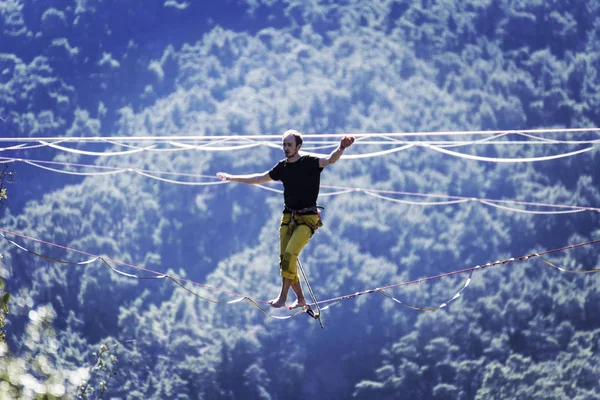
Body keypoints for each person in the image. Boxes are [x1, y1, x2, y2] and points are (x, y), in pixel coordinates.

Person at [217, 130, 355, 309]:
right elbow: (259, 178)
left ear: (299, 147)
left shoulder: (309, 162)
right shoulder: (282, 167)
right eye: (284, 144)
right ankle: (300, 299)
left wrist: (342, 147)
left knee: (290, 255)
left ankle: (282, 297)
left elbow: (330, 159)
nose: (286, 148)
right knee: (285, 260)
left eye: (289, 145)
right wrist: (232, 177)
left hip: (307, 219)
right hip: (289, 217)